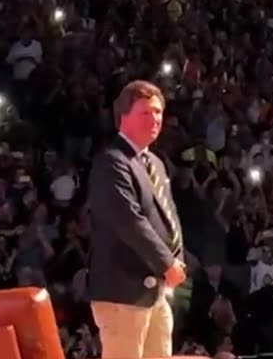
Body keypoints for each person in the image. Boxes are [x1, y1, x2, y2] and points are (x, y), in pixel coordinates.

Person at [88, 80, 187, 359]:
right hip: (123, 290)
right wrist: (166, 262)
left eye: (158, 112)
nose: (155, 118)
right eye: (145, 112)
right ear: (124, 117)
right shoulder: (112, 161)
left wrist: (176, 258)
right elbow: (127, 220)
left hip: (155, 290)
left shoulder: (154, 163)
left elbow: (167, 216)